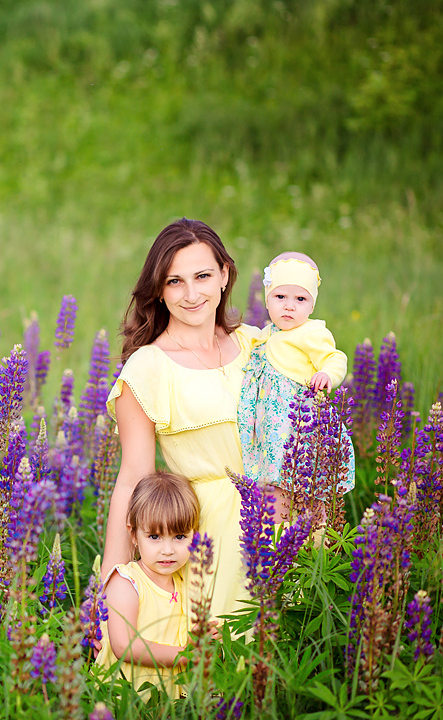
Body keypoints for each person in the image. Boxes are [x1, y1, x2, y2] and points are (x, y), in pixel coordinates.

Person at [104, 218, 259, 621]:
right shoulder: (147, 368)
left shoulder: (256, 344)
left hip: (282, 519)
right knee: (224, 666)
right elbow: (133, 479)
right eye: (174, 282)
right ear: (158, 290)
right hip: (207, 535)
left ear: (224, 275)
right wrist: (114, 585)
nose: (191, 294)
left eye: (203, 276)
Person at [236, 251, 355, 522]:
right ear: (267, 300)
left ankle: (315, 541)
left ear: (312, 306)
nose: (289, 306)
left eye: (300, 299)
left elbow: (335, 358)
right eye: (280, 297)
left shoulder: (312, 333)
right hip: (271, 427)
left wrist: (327, 374)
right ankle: (280, 537)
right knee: (275, 484)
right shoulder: (267, 333)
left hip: (300, 423)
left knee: (309, 483)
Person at [96, 472, 217, 699]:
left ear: (195, 535)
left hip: (167, 700)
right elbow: (124, 646)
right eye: (154, 537)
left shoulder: (185, 582)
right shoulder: (126, 582)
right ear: (134, 534)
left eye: (180, 536)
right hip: (126, 699)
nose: (168, 550)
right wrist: (186, 655)